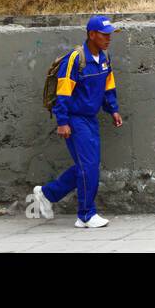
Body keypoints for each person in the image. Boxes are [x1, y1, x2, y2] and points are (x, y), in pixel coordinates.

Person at [30, 15, 122, 228]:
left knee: (87, 166)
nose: (109, 38)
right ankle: (86, 215)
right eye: (104, 35)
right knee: (88, 166)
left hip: (90, 119)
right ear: (92, 35)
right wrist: (62, 122)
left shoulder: (105, 58)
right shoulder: (75, 59)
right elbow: (63, 93)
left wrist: (113, 109)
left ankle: (46, 193)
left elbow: (109, 86)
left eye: (110, 35)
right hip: (74, 119)